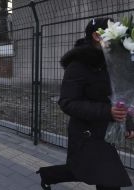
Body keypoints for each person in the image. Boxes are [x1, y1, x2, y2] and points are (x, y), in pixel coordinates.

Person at [37, 18, 134, 190]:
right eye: (116, 34)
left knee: (81, 170)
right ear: (97, 36)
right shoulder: (78, 65)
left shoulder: (113, 63)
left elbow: (120, 99)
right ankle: (49, 175)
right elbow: (67, 102)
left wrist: (128, 124)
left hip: (106, 132)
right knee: (108, 178)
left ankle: (48, 175)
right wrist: (107, 111)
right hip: (86, 134)